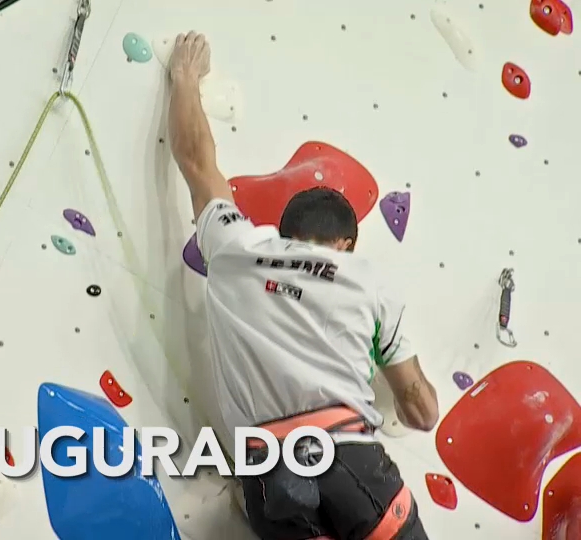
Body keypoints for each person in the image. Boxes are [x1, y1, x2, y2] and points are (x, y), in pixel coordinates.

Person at [166, 31, 440, 540]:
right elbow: (421, 412)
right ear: (348, 243)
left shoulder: (235, 246)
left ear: (285, 233)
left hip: (270, 474)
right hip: (353, 466)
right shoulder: (368, 282)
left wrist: (185, 76)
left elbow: (196, 161)